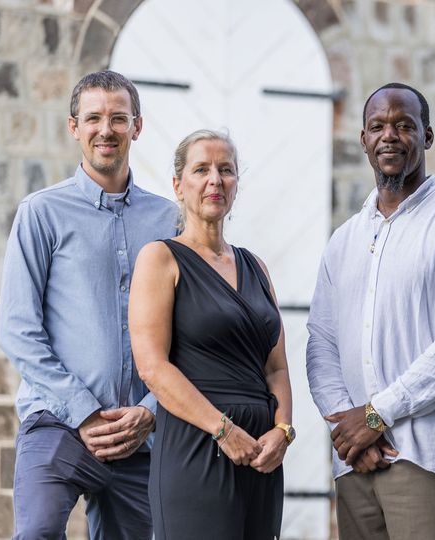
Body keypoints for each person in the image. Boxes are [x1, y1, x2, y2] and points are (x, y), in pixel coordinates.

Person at [306, 82, 435, 540]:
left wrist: (375, 417)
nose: (389, 136)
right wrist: (348, 426)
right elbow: (321, 342)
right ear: (363, 140)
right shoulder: (344, 241)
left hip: (428, 459)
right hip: (356, 463)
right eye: (377, 126)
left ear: (427, 136)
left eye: (404, 125)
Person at [0, 70, 179, 539]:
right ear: (74, 126)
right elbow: (18, 330)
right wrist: (83, 410)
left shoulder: (169, 220)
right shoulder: (41, 213)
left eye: (118, 118)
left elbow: (187, 332)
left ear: (137, 126)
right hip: (57, 422)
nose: (106, 129)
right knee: (36, 533)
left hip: (140, 436)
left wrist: (151, 410)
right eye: (93, 118)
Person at [128, 129, 293, 540]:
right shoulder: (160, 258)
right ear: (178, 185)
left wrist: (283, 431)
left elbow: (276, 368)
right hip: (198, 446)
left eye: (226, 170)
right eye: (201, 169)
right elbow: (152, 367)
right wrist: (223, 430)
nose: (215, 180)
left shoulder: (257, 267)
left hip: (261, 455)